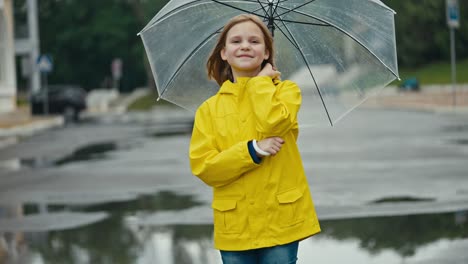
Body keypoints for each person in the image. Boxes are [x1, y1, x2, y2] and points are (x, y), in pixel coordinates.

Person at [189, 14, 320, 264]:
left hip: (281, 223)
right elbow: (205, 168)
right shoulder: (208, 110)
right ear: (224, 53)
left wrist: (260, 84)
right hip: (236, 226)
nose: (246, 46)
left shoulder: (287, 93)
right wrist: (252, 150)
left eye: (255, 41)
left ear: (267, 52)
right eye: (236, 41)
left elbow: (274, 122)